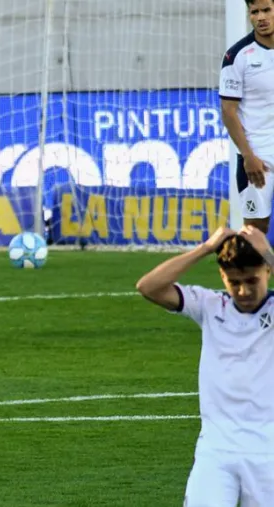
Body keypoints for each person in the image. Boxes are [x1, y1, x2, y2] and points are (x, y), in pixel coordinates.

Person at [136, 225, 274, 506]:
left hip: (268, 453)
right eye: (234, 282)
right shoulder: (210, 306)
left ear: (267, 272)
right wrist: (205, 248)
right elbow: (148, 287)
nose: (244, 290)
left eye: (252, 280)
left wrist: (269, 253)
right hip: (216, 452)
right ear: (222, 276)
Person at [220, 0, 274, 232]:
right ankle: (261, 269)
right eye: (254, 12)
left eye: (266, 10)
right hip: (258, 157)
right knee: (254, 232)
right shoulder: (237, 56)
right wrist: (248, 156)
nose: (260, 17)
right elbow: (228, 111)